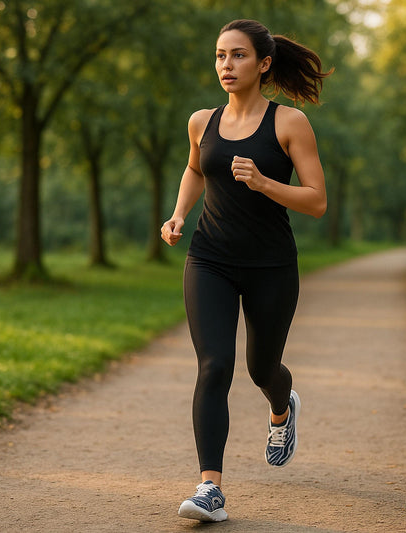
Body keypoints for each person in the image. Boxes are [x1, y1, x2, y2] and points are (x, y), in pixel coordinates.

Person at [160, 18, 331, 523]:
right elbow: (195, 168)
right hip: (209, 257)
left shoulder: (289, 124)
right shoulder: (201, 121)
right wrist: (178, 214)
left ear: (264, 63)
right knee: (215, 365)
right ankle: (210, 488)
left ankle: (282, 408)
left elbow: (317, 201)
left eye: (237, 56)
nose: (226, 66)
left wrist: (264, 183)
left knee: (262, 369)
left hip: (271, 265)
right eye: (219, 56)